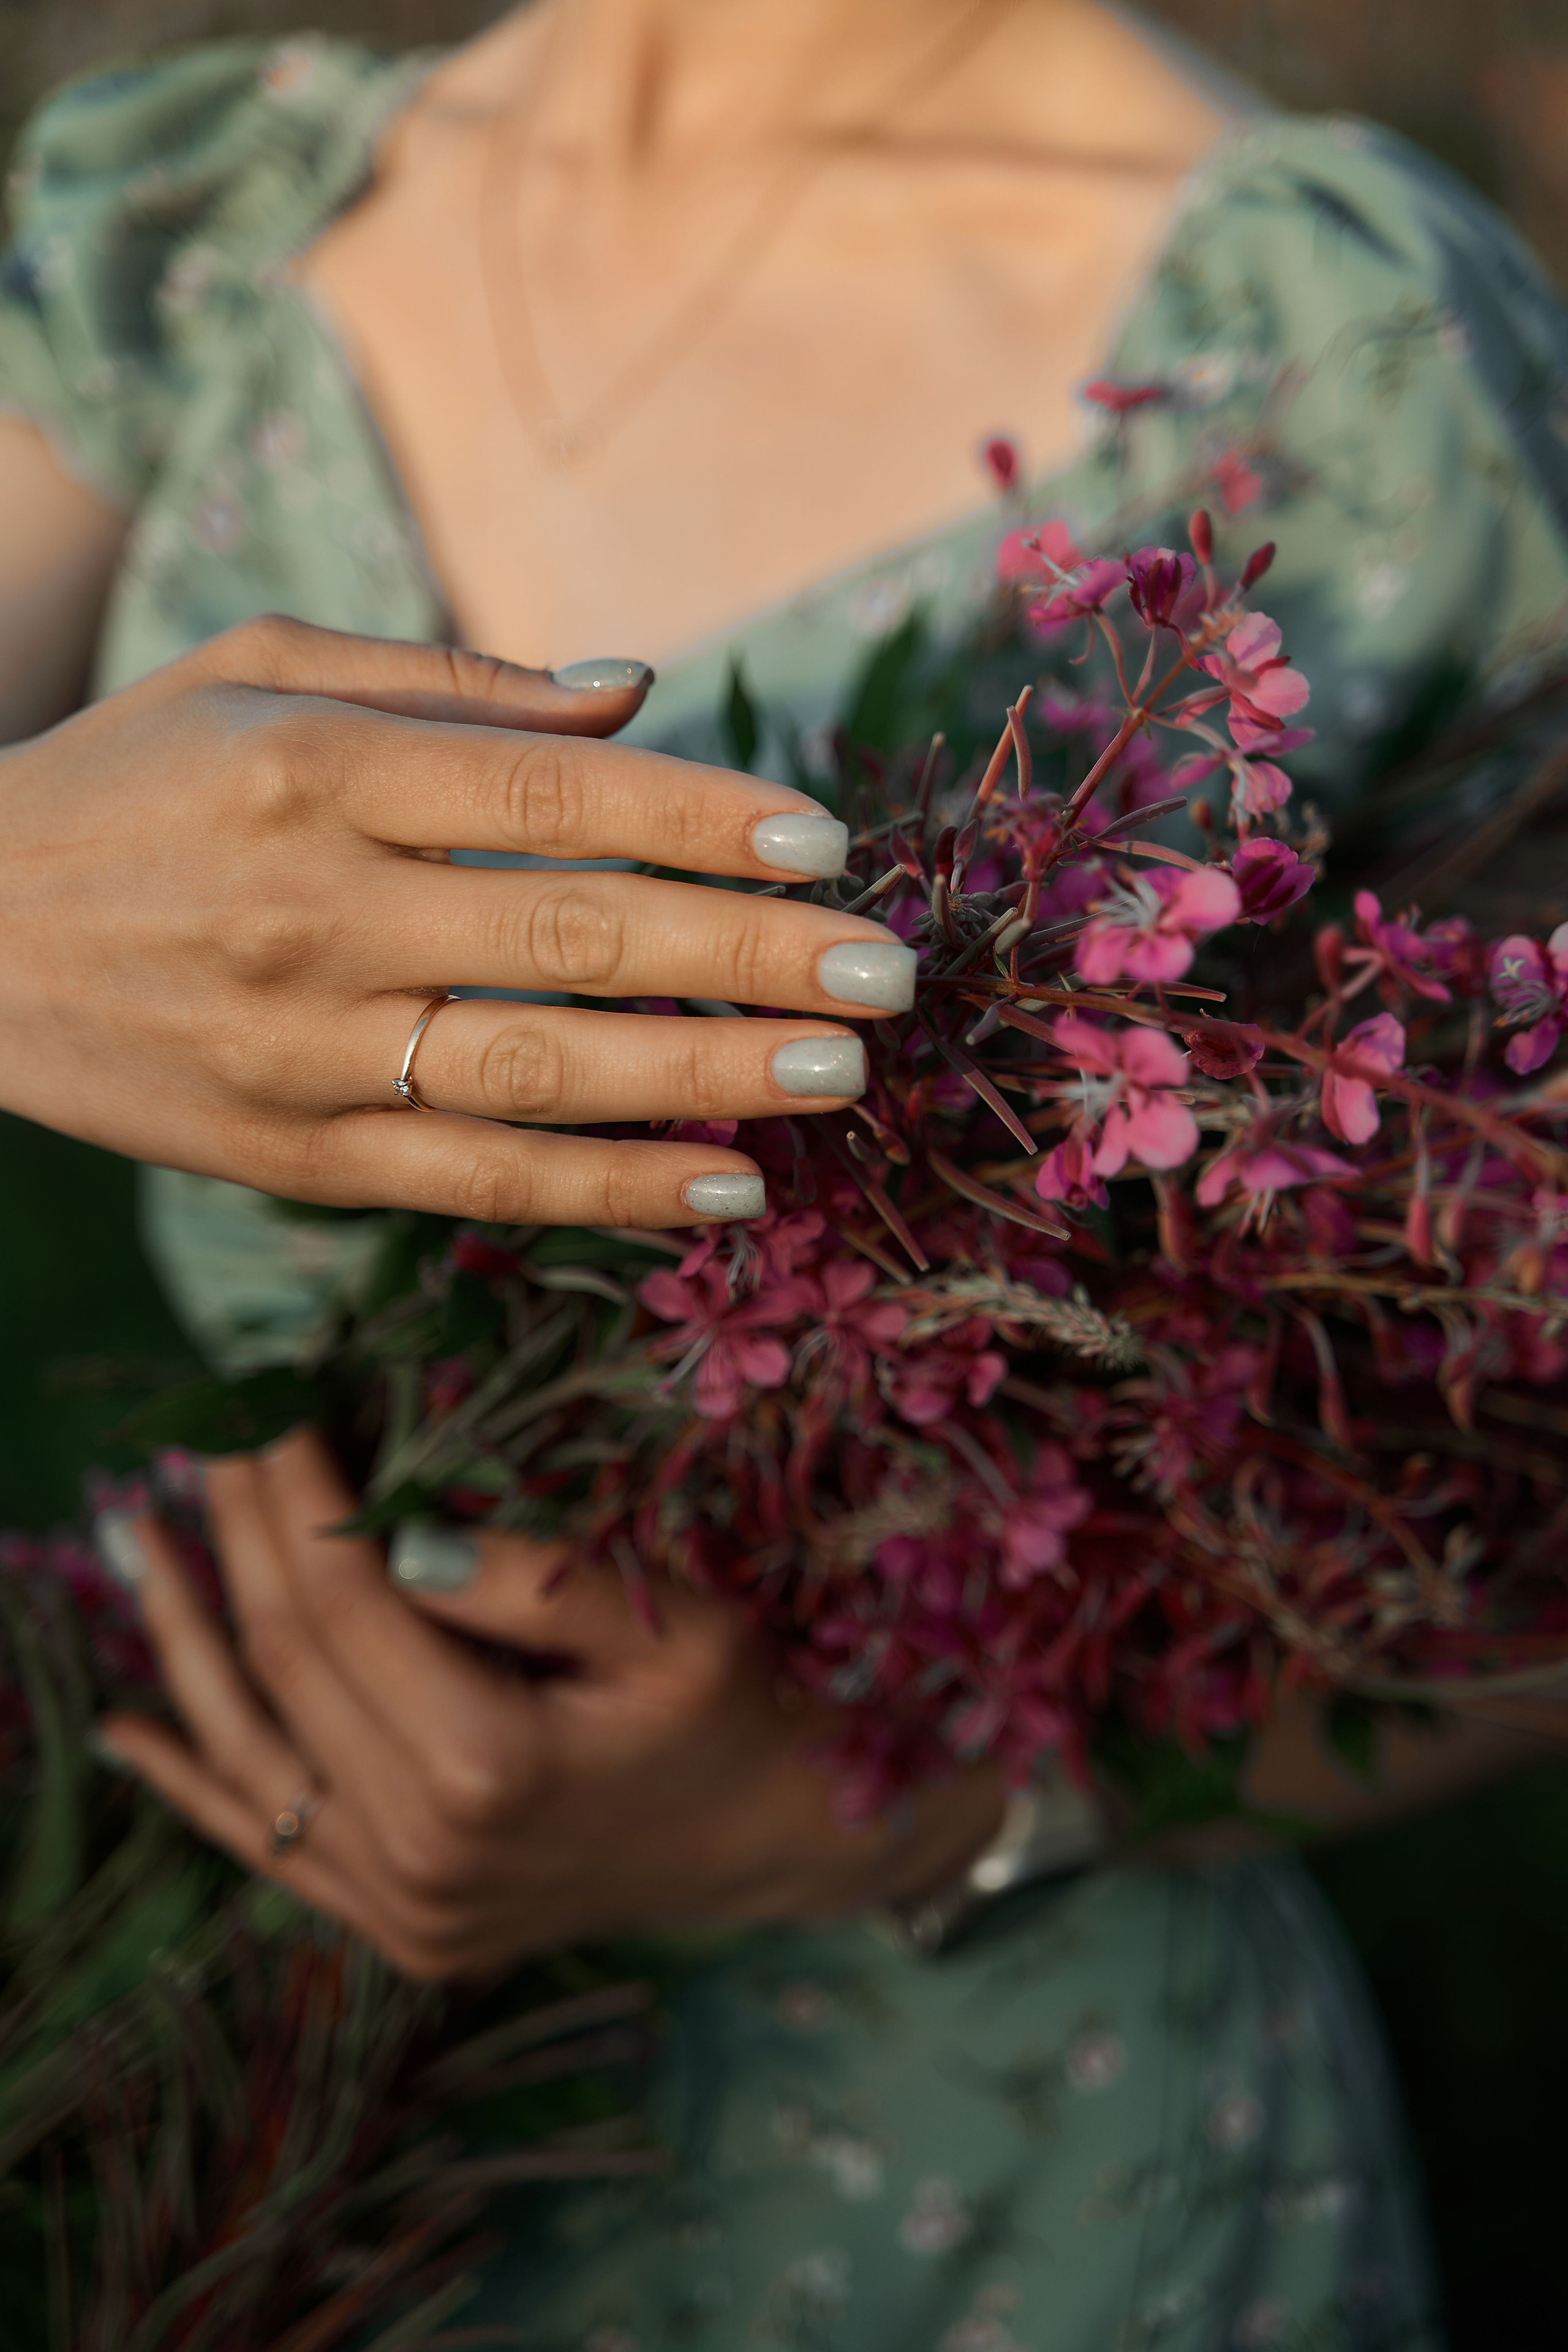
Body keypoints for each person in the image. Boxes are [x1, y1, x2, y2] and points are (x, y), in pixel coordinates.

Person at [2, 2, 1567, 2342]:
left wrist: (928, 1811)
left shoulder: (1341, 349)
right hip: (253, 2029)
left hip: (990, 2165)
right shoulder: (214, 220)